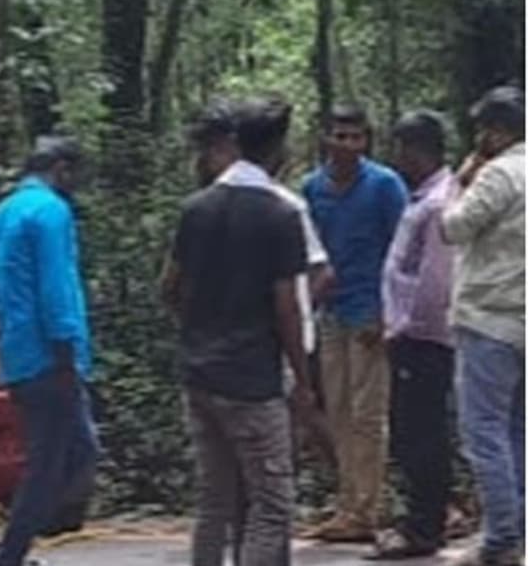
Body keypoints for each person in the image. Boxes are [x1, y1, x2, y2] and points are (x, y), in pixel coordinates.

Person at [162, 98, 317, 566]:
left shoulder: (196, 208)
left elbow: (169, 287)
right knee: (271, 504)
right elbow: (287, 307)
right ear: (276, 150)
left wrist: (198, 329)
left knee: (215, 499)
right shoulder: (280, 214)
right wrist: (303, 379)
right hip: (253, 378)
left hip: (200, 373)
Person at [0, 136, 99, 566]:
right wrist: (64, 351)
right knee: (55, 460)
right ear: (60, 169)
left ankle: (14, 541)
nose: (77, 183)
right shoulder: (51, 212)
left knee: (74, 450)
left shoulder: (4, 212)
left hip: (17, 354)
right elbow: (55, 288)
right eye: (75, 174)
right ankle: (11, 550)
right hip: (49, 356)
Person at [302, 105, 408, 542]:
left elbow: (403, 252)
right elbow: (308, 251)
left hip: (371, 310)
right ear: (326, 138)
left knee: (368, 414)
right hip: (331, 311)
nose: (347, 145)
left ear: (366, 141)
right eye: (339, 136)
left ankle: (366, 508)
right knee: (339, 410)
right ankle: (350, 501)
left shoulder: (384, 185)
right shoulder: (312, 187)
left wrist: (388, 314)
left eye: (355, 137)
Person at [441, 86, 526, 566]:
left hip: (490, 319)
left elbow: (451, 228)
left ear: (495, 131)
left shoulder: (498, 174)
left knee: (485, 433)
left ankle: (500, 540)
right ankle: (517, 527)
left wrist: (461, 182)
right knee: (517, 430)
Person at [368, 110, 457, 560]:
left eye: (403, 147)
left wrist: (404, 327)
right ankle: (423, 518)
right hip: (411, 334)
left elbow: (434, 280)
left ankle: (425, 525)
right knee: (410, 429)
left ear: (418, 150)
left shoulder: (440, 202)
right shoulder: (423, 197)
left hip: (423, 337)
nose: (398, 157)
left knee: (420, 431)